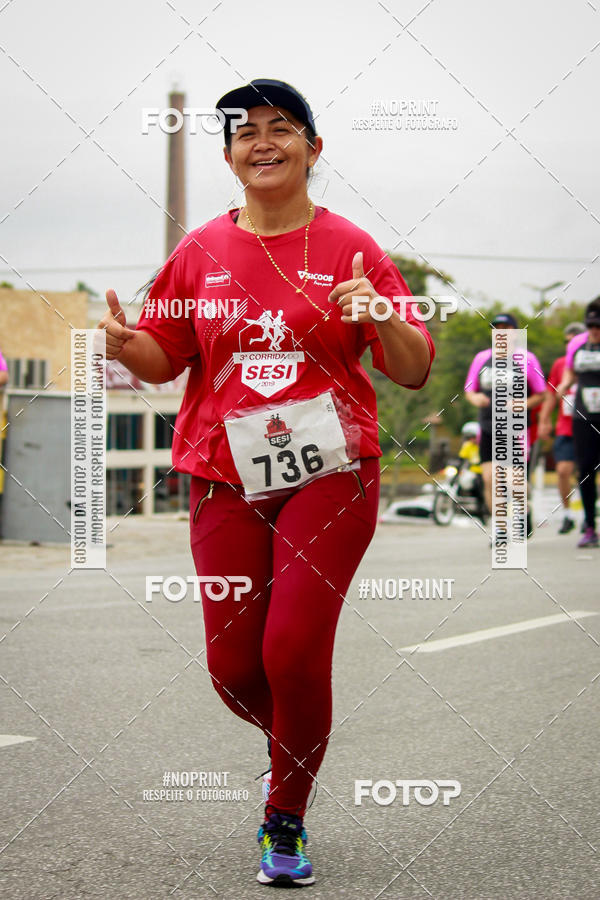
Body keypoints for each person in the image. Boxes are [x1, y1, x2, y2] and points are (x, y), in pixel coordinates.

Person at [98, 78, 435, 887]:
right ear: (227, 156)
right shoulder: (200, 251)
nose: (263, 141)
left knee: (291, 651)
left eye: (281, 127)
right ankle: (294, 750)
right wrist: (119, 344)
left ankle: (284, 815)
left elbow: (414, 367)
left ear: (314, 149)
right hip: (223, 473)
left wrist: (380, 313)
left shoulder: (353, 245)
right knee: (234, 670)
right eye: (244, 132)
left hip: (332, 470)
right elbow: (162, 355)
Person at [464, 313, 546, 528]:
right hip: (488, 427)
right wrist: (476, 398)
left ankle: (525, 508)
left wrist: (522, 404)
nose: (501, 332)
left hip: (515, 429)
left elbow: (541, 393)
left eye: (506, 328)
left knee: (513, 481)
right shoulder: (482, 358)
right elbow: (469, 390)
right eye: (497, 328)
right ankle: (499, 527)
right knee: (491, 480)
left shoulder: (527, 359)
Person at [557, 298, 600, 548]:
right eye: (592, 326)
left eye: (599, 327)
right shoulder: (578, 345)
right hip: (583, 415)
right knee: (585, 470)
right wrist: (565, 384)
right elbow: (570, 371)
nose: (595, 331)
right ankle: (590, 526)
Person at [538, 322, 586, 533]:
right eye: (568, 342)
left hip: (590, 425)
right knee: (562, 471)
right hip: (566, 426)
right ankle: (568, 514)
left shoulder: (592, 361)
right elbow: (550, 395)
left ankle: (589, 515)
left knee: (587, 472)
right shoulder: (560, 365)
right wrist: (544, 420)